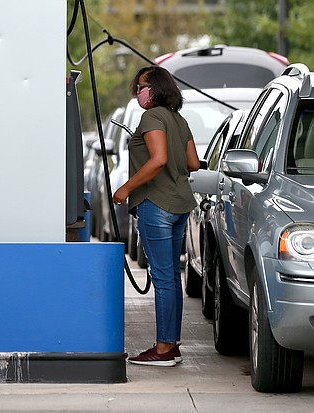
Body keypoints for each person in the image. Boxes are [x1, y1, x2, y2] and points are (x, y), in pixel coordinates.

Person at [113, 66, 200, 367]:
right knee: (171, 277)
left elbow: (158, 160)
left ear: (156, 89)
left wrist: (125, 188)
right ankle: (171, 344)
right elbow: (193, 163)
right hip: (179, 204)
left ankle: (163, 349)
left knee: (162, 277)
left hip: (156, 203)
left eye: (141, 86)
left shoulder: (151, 117)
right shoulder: (179, 119)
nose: (138, 91)